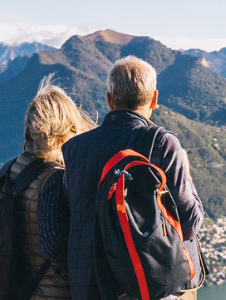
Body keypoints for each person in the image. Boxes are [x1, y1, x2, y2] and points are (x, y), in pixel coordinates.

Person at [59, 57, 206, 300]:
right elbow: (190, 223)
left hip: (89, 287)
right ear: (154, 99)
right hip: (144, 287)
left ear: (109, 100)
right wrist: (187, 175)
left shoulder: (73, 149)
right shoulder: (162, 143)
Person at [7, 78, 96, 299]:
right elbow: (52, 243)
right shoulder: (54, 177)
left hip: (17, 287)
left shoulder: (11, 169)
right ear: (64, 126)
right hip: (52, 292)